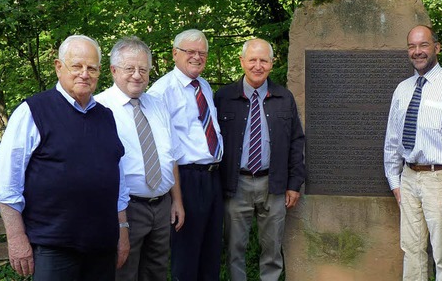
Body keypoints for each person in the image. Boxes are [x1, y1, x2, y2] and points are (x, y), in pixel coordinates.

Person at [0, 35, 129, 280]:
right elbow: (4, 183)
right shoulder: (33, 111)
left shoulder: (106, 117)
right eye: (76, 66)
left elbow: (119, 183)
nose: (84, 74)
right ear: (58, 67)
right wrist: (17, 238)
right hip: (53, 247)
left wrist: (123, 230)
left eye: (92, 68)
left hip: (102, 246)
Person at [384, 25, 442, 280]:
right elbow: (392, 139)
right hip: (408, 178)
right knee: (411, 250)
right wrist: (394, 180)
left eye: (423, 45)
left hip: (440, 179)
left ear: (437, 47)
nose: (417, 51)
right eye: (412, 46)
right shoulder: (402, 89)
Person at [214, 38, 305, 281]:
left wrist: (294, 184)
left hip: (273, 185)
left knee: (272, 250)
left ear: (272, 64)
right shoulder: (223, 98)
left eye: (263, 60)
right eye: (252, 59)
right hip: (235, 185)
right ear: (242, 61)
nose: (257, 65)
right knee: (234, 249)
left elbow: (297, 141)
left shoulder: (284, 98)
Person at [95, 36, 185, 280]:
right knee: (123, 272)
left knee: (156, 272)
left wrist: (177, 201)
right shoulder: (99, 108)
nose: (137, 75)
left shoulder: (158, 105)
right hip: (125, 208)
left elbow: (171, 157)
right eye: (129, 68)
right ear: (114, 70)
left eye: (143, 69)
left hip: (162, 205)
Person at [148, 29, 223, 281]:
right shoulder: (161, 92)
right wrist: (176, 199)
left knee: (211, 253)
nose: (196, 57)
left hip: (213, 177)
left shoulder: (204, 86)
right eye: (190, 51)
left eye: (202, 53)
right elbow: (162, 150)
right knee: (187, 255)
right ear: (175, 54)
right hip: (186, 180)